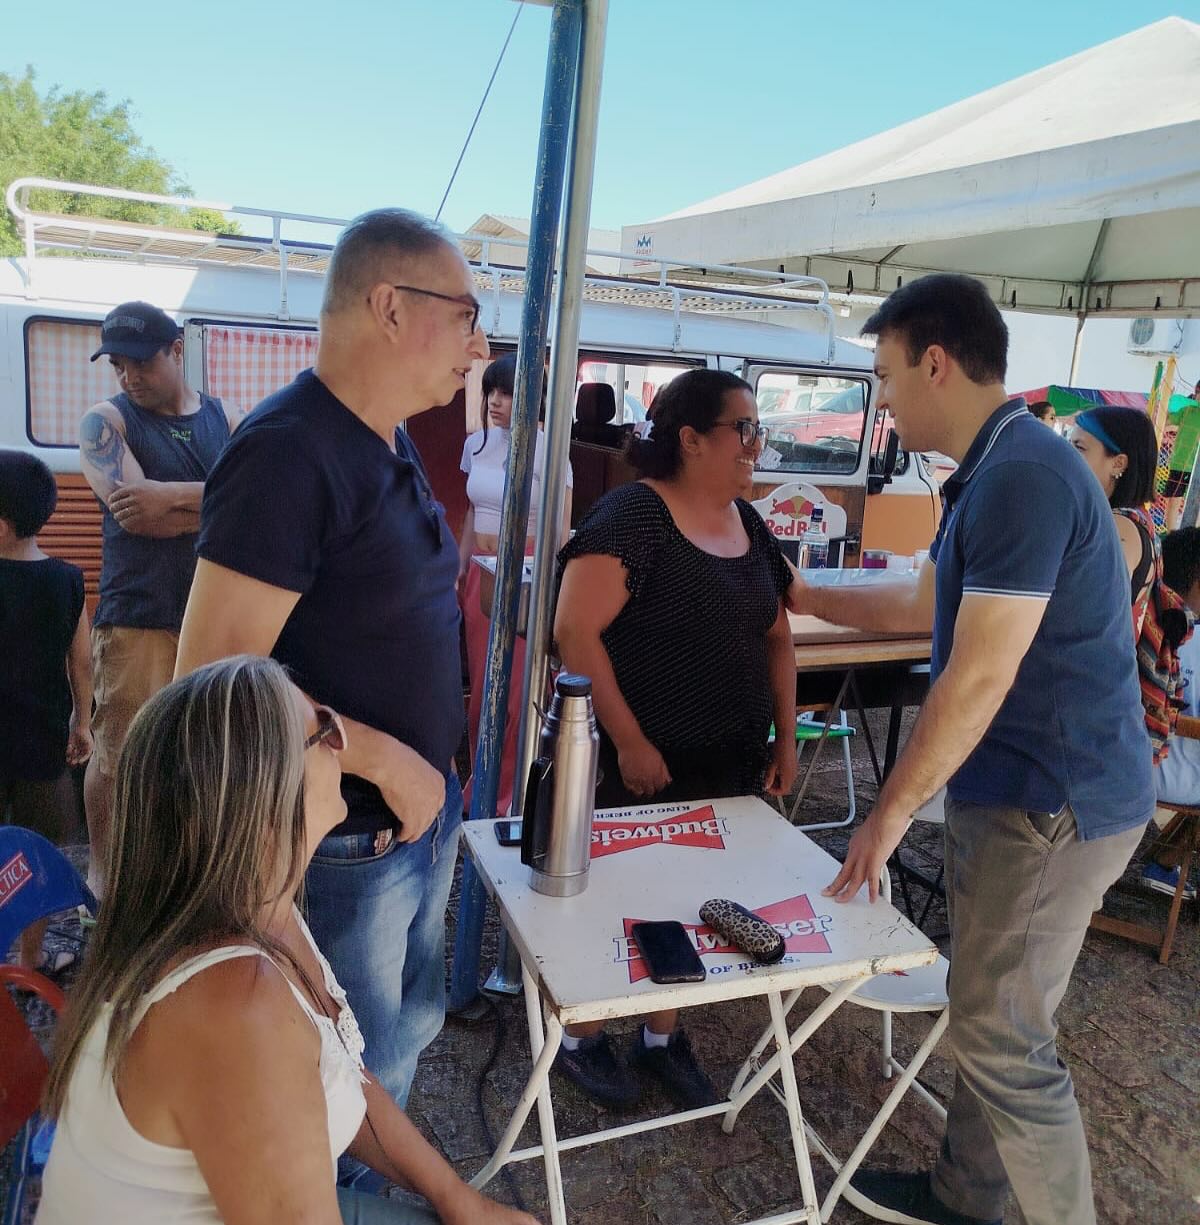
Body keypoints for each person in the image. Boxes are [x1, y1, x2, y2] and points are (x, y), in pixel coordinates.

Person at [790, 274, 1153, 1225]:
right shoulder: (997, 466)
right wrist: (808, 598)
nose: (885, 396)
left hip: (1052, 804)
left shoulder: (1024, 476)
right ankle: (965, 1198)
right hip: (1037, 794)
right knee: (993, 1013)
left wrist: (887, 811)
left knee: (1005, 1039)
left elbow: (978, 675)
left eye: (887, 373)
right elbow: (924, 605)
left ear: (935, 362)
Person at [175, 208, 490, 1146]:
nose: (481, 346)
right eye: (468, 315)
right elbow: (213, 680)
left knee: (404, 1033)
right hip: (344, 832)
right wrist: (386, 759)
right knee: (350, 1061)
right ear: (389, 306)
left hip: (412, 814)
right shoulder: (289, 451)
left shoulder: (381, 436)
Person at [36, 656, 539, 1225]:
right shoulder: (235, 1004)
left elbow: (344, 1072)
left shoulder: (256, 910)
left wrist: (458, 1199)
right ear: (264, 803)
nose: (342, 741)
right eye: (323, 730)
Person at [552, 368, 798, 1111]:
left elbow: (778, 638)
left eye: (759, 428)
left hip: (726, 761)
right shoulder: (635, 517)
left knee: (695, 898)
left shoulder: (749, 525)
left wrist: (786, 740)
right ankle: (582, 1036)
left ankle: (662, 1034)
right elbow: (574, 630)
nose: (758, 443)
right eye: (744, 428)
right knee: (616, 897)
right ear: (691, 439)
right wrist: (627, 739)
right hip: (641, 764)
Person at [79, 301, 241, 899]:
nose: (128, 377)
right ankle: (105, 879)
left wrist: (171, 498)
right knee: (121, 755)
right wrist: (217, 505)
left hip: (211, 611)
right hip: (138, 618)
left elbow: (247, 509)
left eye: (140, 363)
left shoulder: (221, 417)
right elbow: (137, 517)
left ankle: (181, 879)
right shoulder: (104, 422)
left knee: (200, 754)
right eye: (118, 365)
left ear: (176, 350)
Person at [457, 352, 572, 817]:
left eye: (507, 393)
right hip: (479, 576)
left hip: (524, 574)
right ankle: (479, 784)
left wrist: (550, 584)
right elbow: (471, 511)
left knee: (517, 693)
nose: (496, 402)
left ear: (534, 398)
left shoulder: (550, 448)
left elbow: (560, 529)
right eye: (492, 392)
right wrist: (459, 567)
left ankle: (507, 795)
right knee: (483, 687)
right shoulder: (476, 444)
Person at [0, 451, 92, 973]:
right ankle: (33, 957)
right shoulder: (68, 580)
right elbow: (81, 664)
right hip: (41, 747)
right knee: (34, 856)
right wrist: (82, 724)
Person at [1142, 527, 1200, 900]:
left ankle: (1163, 862)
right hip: (1168, 772)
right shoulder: (1191, 632)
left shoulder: (1143, 618)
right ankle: (1164, 864)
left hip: (1123, 760)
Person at [1068, 404, 1160, 631]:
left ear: (1118, 463)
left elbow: (1085, 610)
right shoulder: (1136, 519)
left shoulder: (1120, 527)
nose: (1067, 455)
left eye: (1079, 447)